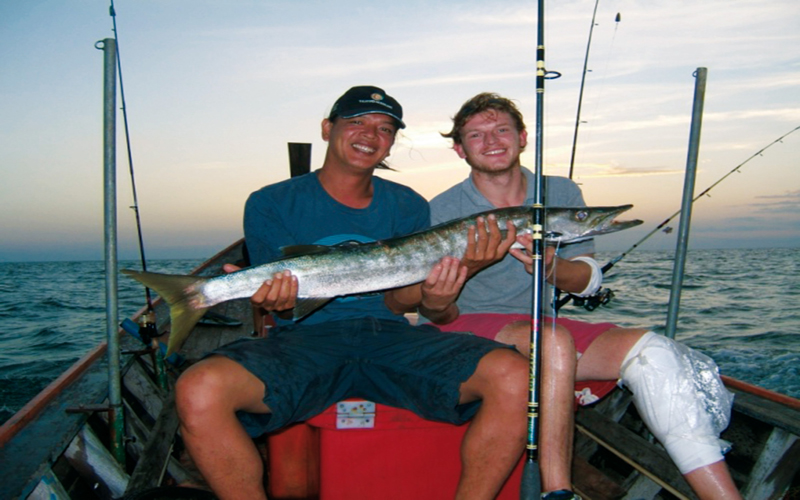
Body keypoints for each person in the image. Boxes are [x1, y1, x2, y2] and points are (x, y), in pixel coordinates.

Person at [174, 86, 530, 500]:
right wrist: (275, 301)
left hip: (391, 338)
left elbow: (401, 300)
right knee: (198, 389)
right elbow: (285, 310)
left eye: (384, 128)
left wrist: (461, 271)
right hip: (305, 341)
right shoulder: (271, 202)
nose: (370, 134)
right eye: (356, 122)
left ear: (392, 143)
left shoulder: (408, 204)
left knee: (517, 376)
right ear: (328, 129)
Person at [415, 92, 741, 500]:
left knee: (656, 355)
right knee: (552, 341)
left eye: (502, 130)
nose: (492, 140)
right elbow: (429, 304)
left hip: (539, 327)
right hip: (464, 327)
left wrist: (550, 265)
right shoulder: (441, 208)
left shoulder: (560, 192)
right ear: (460, 149)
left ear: (523, 137)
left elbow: (587, 281)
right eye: (476, 135)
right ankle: (558, 490)